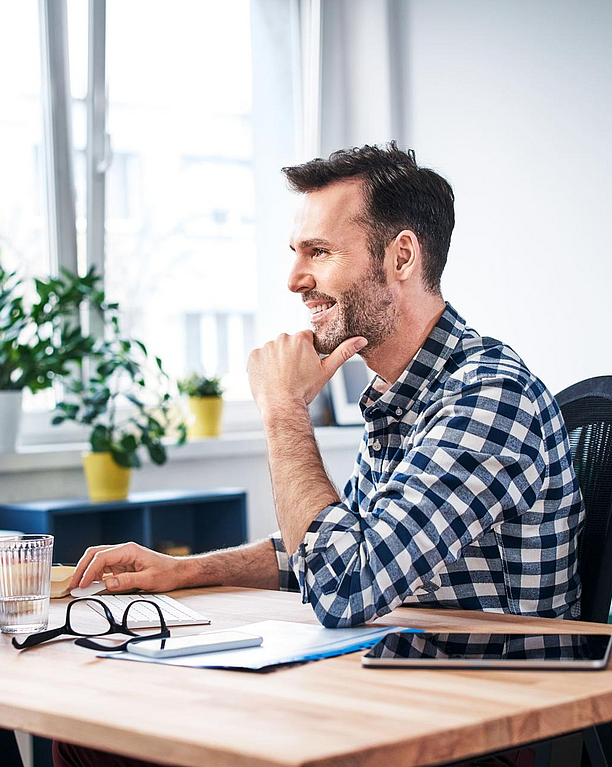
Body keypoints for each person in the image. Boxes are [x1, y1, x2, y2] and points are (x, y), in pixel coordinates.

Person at [53, 143, 584, 767]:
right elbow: (331, 547)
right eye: (296, 253)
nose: (294, 278)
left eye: (320, 253)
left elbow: (346, 585)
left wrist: (283, 411)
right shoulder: (402, 396)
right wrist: (184, 572)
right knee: (95, 738)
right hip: (391, 697)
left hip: (479, 732)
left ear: (402, 256)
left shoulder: (488, 397)